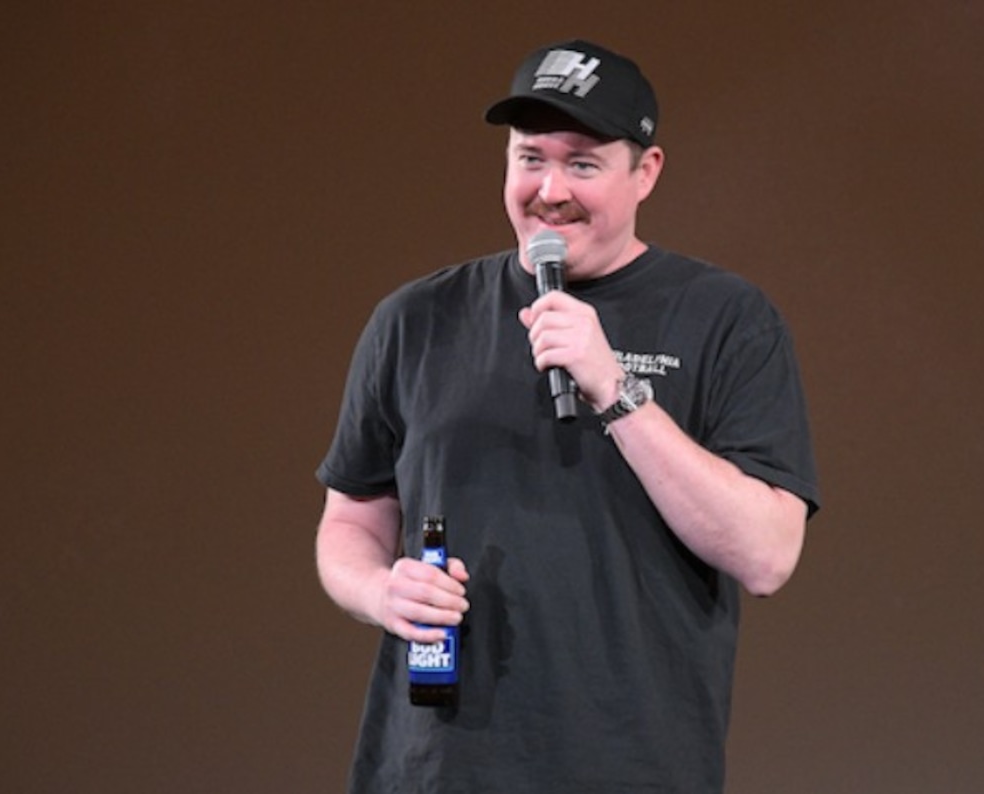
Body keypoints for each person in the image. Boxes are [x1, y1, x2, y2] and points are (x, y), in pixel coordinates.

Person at [314, 39, 820, 793]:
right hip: (432, 768)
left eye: (582, 163)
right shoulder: (415, 320)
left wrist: (615, 389)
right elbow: (349, 523)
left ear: (645, 172)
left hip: (632, 767)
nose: (549, 189)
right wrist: (380, 592)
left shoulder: (726, 319)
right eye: (529, 158)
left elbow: (768, 556)